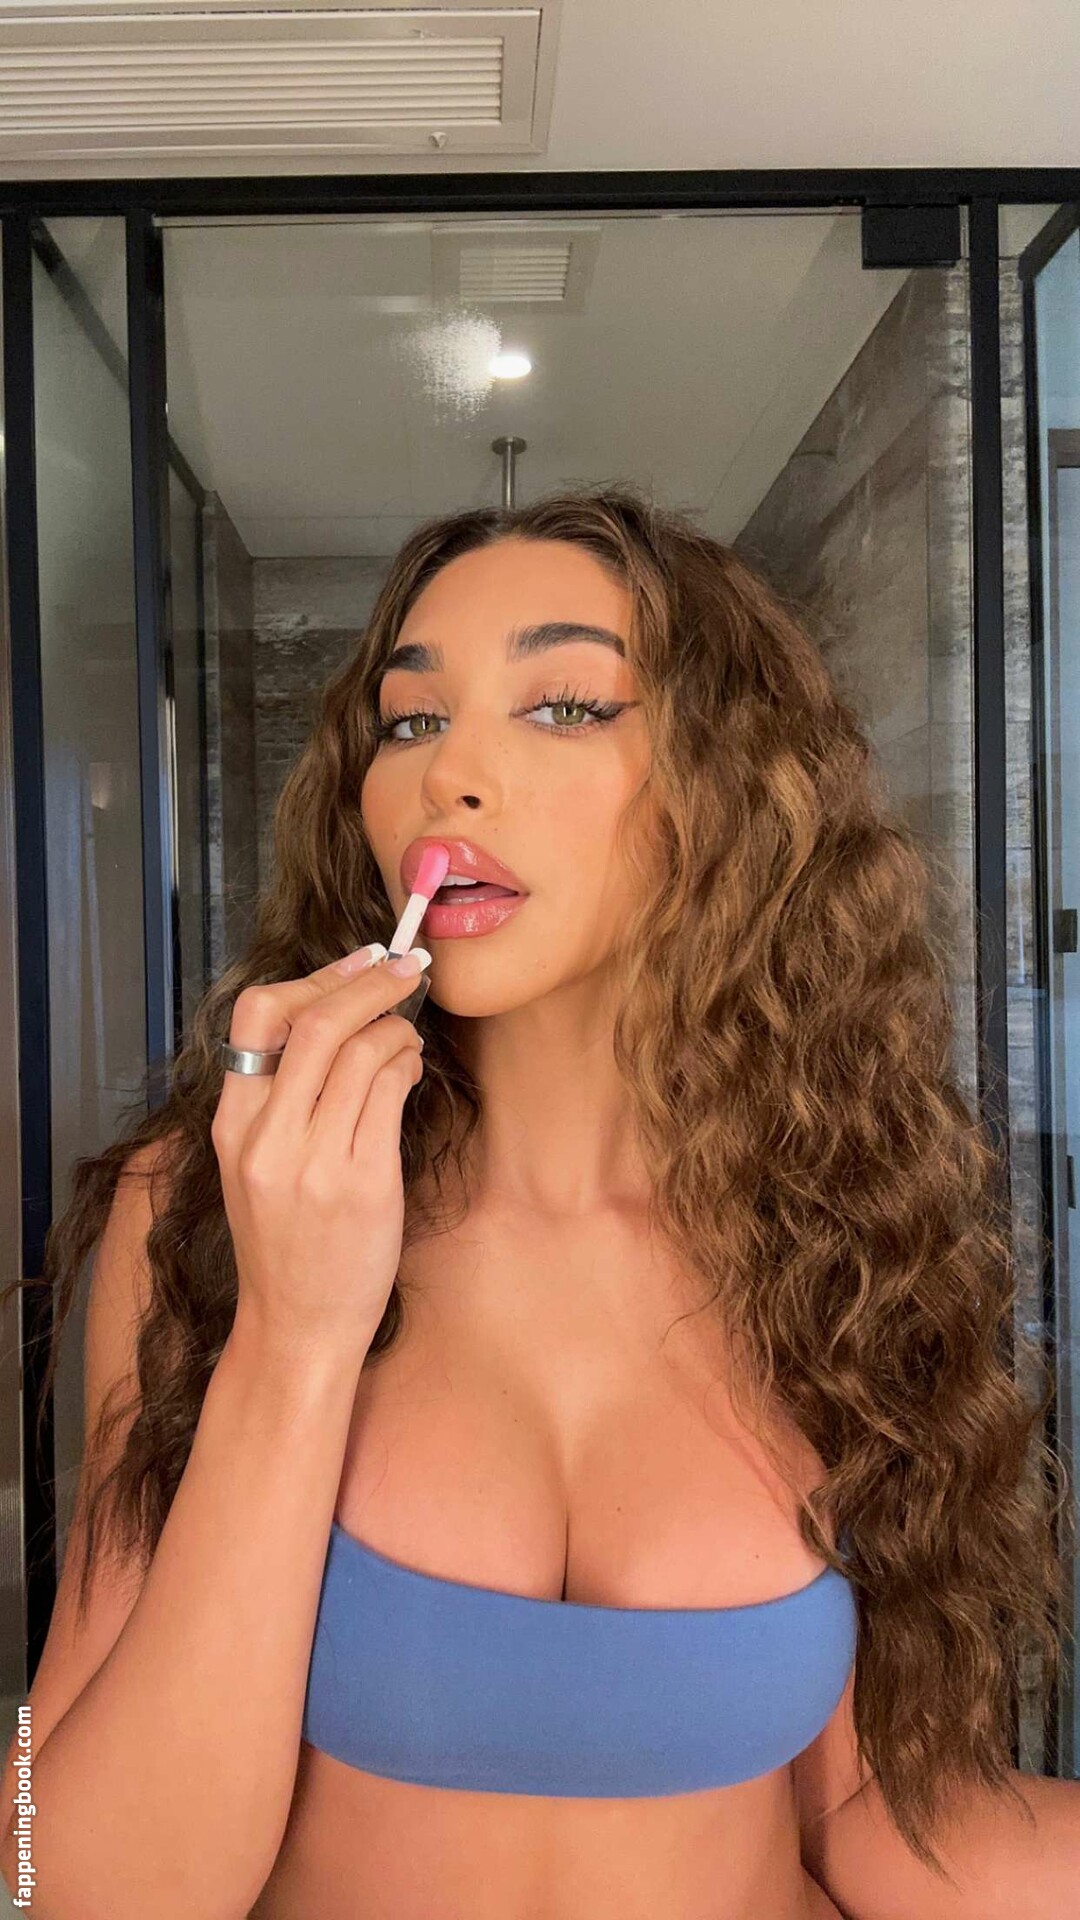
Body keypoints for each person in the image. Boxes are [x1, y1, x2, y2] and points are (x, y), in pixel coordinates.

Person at [0, 486, 1067, 1920]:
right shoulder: (206, 1210)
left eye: (565, 706)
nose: (450, 774)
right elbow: (71, 1877)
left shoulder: (839, 1231)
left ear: (732, 789)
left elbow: (874, 1822)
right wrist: (294, 1336)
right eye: (410, 721)